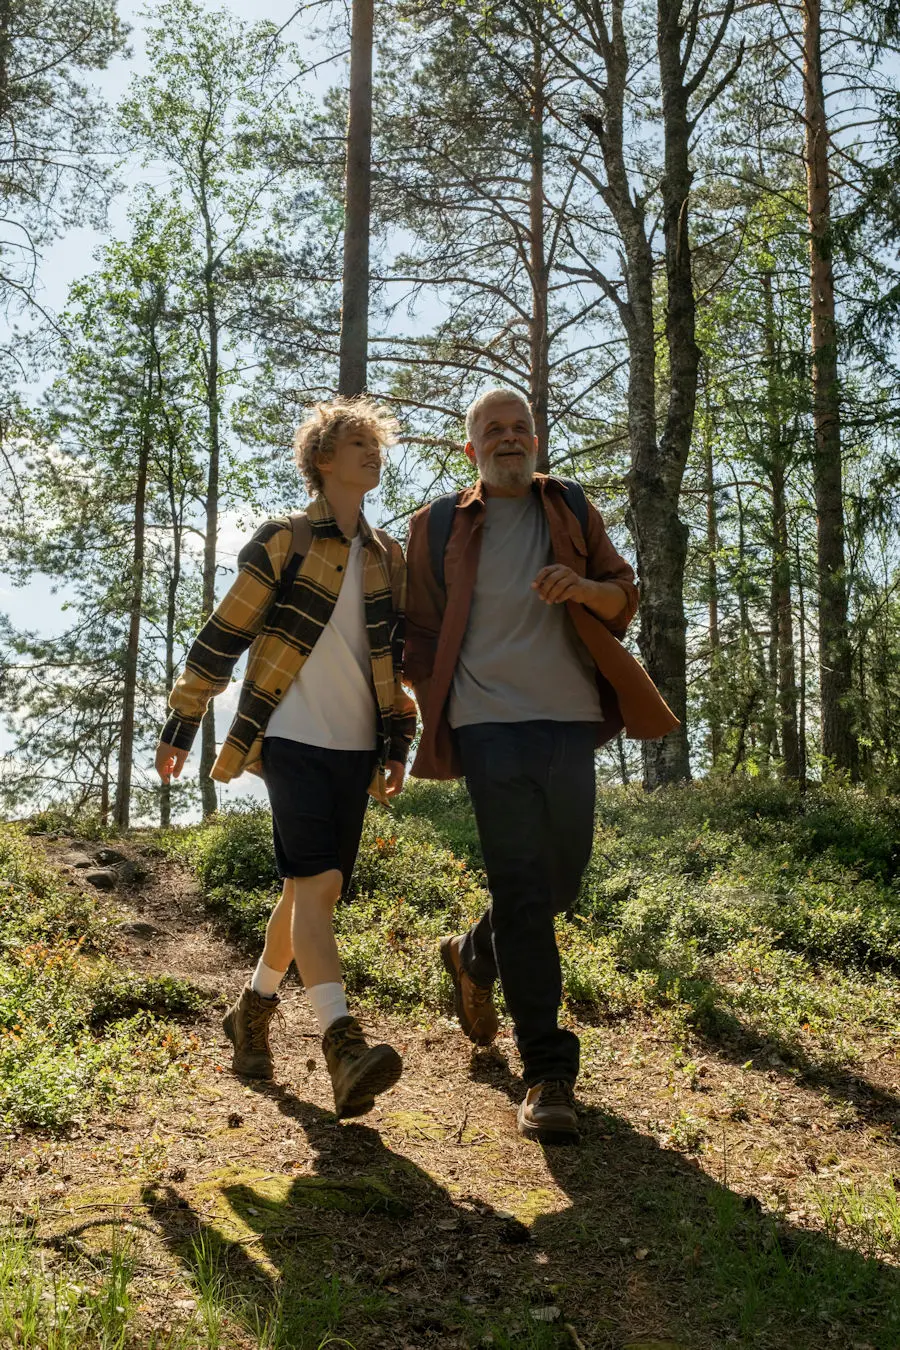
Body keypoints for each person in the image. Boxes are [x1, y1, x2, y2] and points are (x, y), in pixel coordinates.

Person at [404, 388, 678, 1144]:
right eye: (492, 430)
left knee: (561, 881)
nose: (509, 437)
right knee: (522, 888)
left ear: (536, 439)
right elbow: (417, 630)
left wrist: (581, 587)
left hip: (569, 721)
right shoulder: (434, 527)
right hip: (488, 726)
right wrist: (438, 705)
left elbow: (623, 593)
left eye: (520, 426)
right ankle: (547, 1072)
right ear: (471, 451)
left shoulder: (572, 508)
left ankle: (473, 951)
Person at [155, 397, 417, 1120]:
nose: (374, 454)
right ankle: (341, 1042)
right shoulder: (286, 539)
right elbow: (225, 631)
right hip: (292, 739)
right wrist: (184, 717)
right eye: (359, 443)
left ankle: (253, 1009)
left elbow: (390, 661)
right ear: (323, 459)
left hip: (356, 745)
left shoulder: (388, 556)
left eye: (378, 445)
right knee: (319, 879)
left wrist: (397, 742)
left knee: (313, 892)